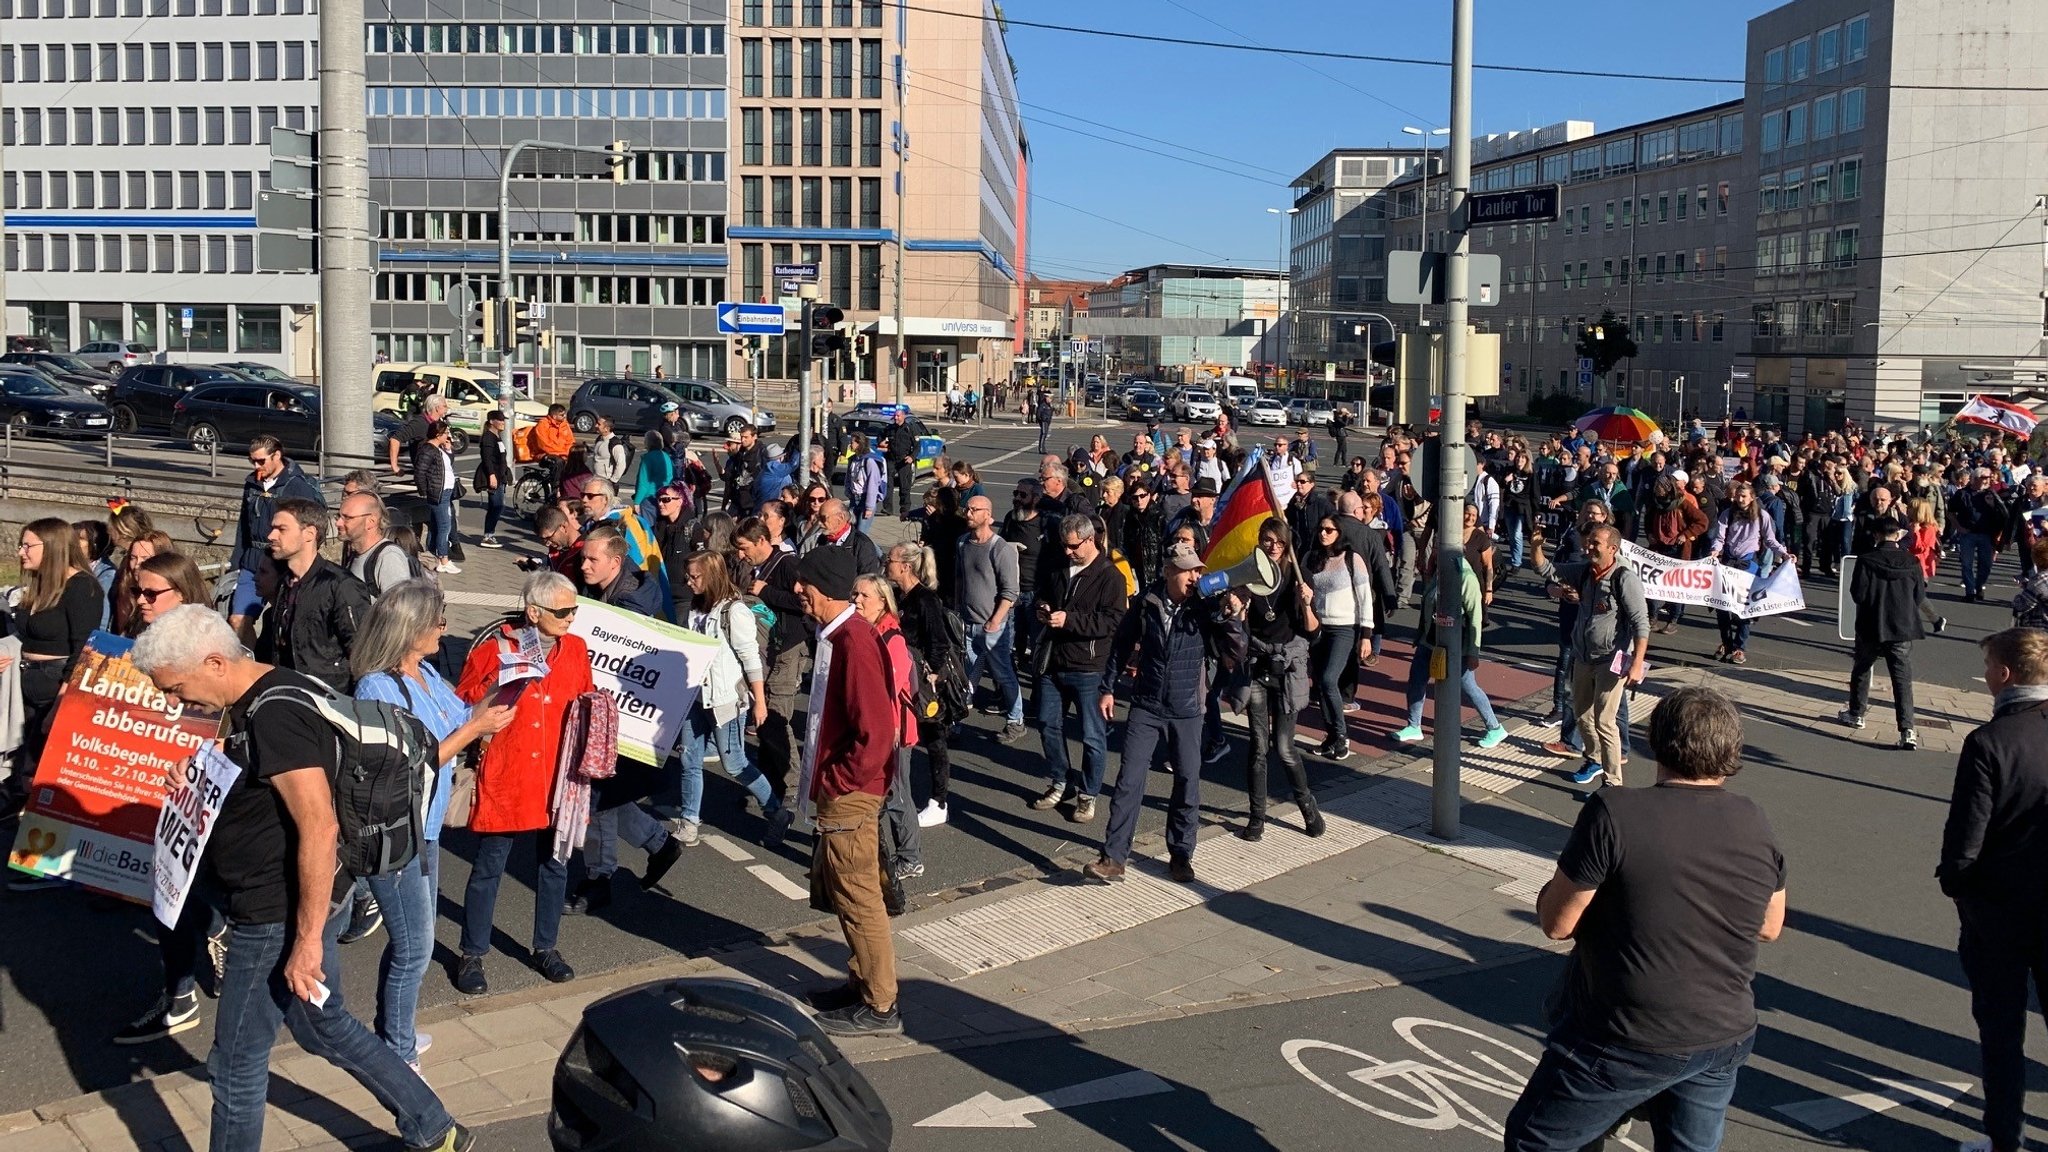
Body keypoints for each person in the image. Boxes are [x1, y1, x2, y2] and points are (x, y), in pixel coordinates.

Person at [127, 607, 471, 1152]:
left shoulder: (273, 714)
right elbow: (264, 778)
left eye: (176, 689)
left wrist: (306, 941)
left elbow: (318, 823)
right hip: (288, 900)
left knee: (235, 1065)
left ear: (214, 662)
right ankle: (433, 1126)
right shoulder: (263, 692)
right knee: (322, 1025)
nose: (174, 704)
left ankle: (432, 1125)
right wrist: (202, 773)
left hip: (274, 913)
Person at [1503, 687, 1786, 1151]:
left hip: (1629, 1035)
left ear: (1656, 740)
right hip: (1723, 1033)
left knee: (1536, 1139)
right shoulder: (1752, 818)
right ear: (1731, 749)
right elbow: (1769, 925)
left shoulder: (1615, 811)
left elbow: (1558, 924)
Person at [349, 582, 513, 1067]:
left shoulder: (423, 673)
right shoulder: (377, 687)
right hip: (396, 834)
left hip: (427, 827)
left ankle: (395, 1032)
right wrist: (472, 731)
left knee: (413, 941)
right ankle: (396, 1051)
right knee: (415, 946)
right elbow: (406, 764)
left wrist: (507, 687)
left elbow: (462, 714)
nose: (444, 630)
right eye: (438, 622)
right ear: (410, 629)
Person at [452, 571, 592, 995]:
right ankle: (472, 953)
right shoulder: (498, 648)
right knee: (489, 865)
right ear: (534, 612)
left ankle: (545, 947)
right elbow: (464, 701)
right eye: (563, 610)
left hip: (556, 774)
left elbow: (586, 697)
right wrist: (500, 681)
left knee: (554, 865)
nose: (571, 617)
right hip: (508, 771)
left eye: (573, 609)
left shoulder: (576, 649)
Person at [109, 550, 229, 1043]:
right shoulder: (136, 641)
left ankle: (183, 992)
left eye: (151, 592)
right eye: (137, 591)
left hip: (197, 790)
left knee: (181, 889)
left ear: (184, 593)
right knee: (169, 892)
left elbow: (232, 714)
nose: (140, 601)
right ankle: (199, 960)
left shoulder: (214, 645)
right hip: (150, 787)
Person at [1939, 628, 2048, 1152]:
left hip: (2000, 914)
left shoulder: (1989, 743)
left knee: (2002, 1036)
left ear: (2005, 675)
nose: (1984, 676)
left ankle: (2005, 1138)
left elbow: (1965, 843)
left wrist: (1960, 889)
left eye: (1987, 667)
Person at [1084, 542, 1246, 886]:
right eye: (1187, 570)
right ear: (1169, 571)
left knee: (1187, 782)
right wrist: (1108, 688)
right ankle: (1114, 857)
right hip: (1146, 704)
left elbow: (1236, 652)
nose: (1194, 576)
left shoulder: (1205, 607)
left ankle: (1181, 854)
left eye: (1197, 570)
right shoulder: (1146, 603)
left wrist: (1231, 617)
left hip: (1187, 708)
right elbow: (1121, 644)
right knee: (1129, 781)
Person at [790, 546, 901, 1036]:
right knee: (843, 891)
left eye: (804, 585)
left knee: (857, 896)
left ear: (823, 589)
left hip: (852, 793)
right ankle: (861, 983)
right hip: (847, 788)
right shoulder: (843, 634)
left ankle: (879, 1006)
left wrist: (841, 782)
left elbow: (877, 731)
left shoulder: (853, 641)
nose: (798, 592)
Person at [1535, 521, 1651, 791]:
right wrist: (1536, 546)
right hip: (1582, 657)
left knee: (1605, 721)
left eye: (1595, 543)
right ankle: (1595, 758)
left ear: (1612, 548)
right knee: (1582, 716)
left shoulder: (1624, 578)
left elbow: (1641, 622)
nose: (1588, 547)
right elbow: (1546, 570)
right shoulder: (1586, 571)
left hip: (1611, 661)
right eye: (1588, 542)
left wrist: (1636, 662)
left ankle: (1613, 784)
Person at [1029, 515, 1129, 822]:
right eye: (1065, 545)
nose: (1068, 551)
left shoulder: (1110, 576)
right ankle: (1061, 780)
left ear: (1090, 540)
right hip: (1054, 660)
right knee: (1047, 723)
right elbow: (1042, 594)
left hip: (1088, 666)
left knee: (1091, 735)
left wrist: (1069, 620)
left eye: (1073, 546)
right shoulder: (1059, 567)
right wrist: (1043, 609)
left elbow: (1112, 621)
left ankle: (1088, 794)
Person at [1234, 520, 1325, 840]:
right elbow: (1240, 632)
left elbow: (1314, 633)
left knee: (1285, 747)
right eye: (1266, 540)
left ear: (1287, 546)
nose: (1273, 546)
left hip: (1287, 670)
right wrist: (1239, 608)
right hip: (1258, 667)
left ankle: (1308, 808)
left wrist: (1306, 603)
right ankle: (1256, 818)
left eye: (1279, 542)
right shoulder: (1250, 575)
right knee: (1258, 747)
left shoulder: (1299, 577)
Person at [1394, 541, 1508, 751]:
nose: (1434, 553)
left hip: (1457, 644)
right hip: (1430, 640)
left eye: (1437, 550)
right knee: (1416, 680)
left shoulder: (1466, 578)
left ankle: (1495, 727)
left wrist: (1473, 652)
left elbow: (1475, 617)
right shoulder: (1440, 573)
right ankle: (1413, 724)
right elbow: (1428, 606)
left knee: (1468, 685)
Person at [738, 518, 809, 836]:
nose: (741, 555)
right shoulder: (758, 567)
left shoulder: (787, 564)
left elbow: (804, 603)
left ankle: (791, 785)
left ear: (761, 541)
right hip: (766, 652)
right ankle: (768, 784)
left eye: (744, 548)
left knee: (777, 717)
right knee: (764, 718)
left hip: (787, 649)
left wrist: (768, 593)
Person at [256, 499, 371, 693]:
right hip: (288, 698)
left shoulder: (341, 586)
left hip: (331, 703)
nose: (271, 535)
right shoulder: (285, 584)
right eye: (272, 528)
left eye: (281, 529)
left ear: (309, 534)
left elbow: (363, 654)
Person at [852, 573, 922, 886]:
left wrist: (889, 729)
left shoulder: (891, 637)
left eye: (864, 596)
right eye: (855, 595)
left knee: (897, 793)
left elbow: (891, 689)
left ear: (882, 601)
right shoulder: (868, 631)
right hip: (876, 727)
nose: (857, 600)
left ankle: (910, 858)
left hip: (893, 730)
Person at [885, 543, 960, 835]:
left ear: (905, 565)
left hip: (924, 680)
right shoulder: (900, 596)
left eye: (889, 560)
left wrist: (933, 674)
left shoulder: (926, 599)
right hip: (906, 676)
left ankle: (939, 802)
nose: (886, 563)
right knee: (913, 735)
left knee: (934, 737)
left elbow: (938, 640)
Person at [1836, 523, 1925, 749]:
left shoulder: (1866, 560)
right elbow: (1919, 595)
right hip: (1901, 626)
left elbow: (1858, 594)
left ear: (1877, 535)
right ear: (1898, 535)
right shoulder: (1912, 562)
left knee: (1862, 668)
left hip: (1871, 624)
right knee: (1902, 679)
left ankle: (1857, 713)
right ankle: (1907, 729)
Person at [228, 436, 321, 640]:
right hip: (252, 561)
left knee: (286, 622)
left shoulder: (297, 485)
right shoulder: (251, 483)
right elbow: (244, 524)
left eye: (261, 461)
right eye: (252, 461)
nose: (256, 466)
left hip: (282, 564)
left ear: (277, 455)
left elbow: (308, 528)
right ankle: (248, 665)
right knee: (237, 620)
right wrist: (236, 562)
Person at [957, 494, 1027, 745]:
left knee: (1003, 674)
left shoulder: (1000, 549)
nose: (968, 513)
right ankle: (956, 720)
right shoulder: (963, 543)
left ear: (987, 514)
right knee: (967, 674)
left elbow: (1010, 591)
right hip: (968, 622)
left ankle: (1016, 720)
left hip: (993, 626)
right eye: (967, 509)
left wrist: (995, 621)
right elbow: (960, 581)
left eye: (974, 510)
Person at [1304, 514, 1374, 761]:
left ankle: (1342, 735)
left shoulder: (1352, 559)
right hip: (1317, 627)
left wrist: (1366, 635)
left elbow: (1365, 597)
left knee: (1328, 678)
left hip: (1344, 628)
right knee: (1320, 685)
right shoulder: (1311, 558)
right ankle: (1331, 736)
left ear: (1339, 533)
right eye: (1321, 529)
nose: (1324, 533)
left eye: (1330, 530)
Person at [1705, 481, 1790, 665]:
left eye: (1744, 496)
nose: (1740, 499)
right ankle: (1726, 644)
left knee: (1744, 610)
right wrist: (1715, 550)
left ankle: (1739, 647)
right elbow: (1720, 537)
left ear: (1752, 498)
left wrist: (1783, 553)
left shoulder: (1761, 516)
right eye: (1738, 496)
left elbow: (1770, 539)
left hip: (1748, 565)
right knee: (1722, 607)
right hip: (1728, 563)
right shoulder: (1728, 513)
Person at [339, 493, 419, 599]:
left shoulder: (388, 557)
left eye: (347, 518)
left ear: (370, 522)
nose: (338, 523)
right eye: (339, 516)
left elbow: (400, 610)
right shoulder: (355, 554)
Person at [1954, 468, 2008, 603]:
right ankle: (1970, 591)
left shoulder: (1991, 494)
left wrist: (1992, 505)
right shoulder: (1962, 494)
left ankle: (1979, 585)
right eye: (1984, 477)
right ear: (1975, 478)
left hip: (1987, 534)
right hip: (1968, 533)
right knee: (1967, 563)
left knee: (1986, 564)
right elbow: (1950, 511)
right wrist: (1958, 527)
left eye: (1989, 478)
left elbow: (2004, 514)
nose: (1987, 480)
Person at [921, 486, 968, 605]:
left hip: (939, 564)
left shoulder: (936, 520)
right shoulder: (962, 521)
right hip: (953, 566)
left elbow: (929, 539)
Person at [474, 410, 512, 548]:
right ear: (492, 421)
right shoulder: (488, 437)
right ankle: (488, 535)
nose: (503, 423)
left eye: (503, 420)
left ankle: (490, 534)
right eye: (500, 420)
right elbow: (487, 458)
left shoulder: (497, 436)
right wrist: (491, 475)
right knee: (496, 506)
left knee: (498, 506)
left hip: (500, 476)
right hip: (494, 476)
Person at [529, 403, 578, 500]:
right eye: (562, 415)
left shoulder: (564, 425)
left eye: (564, 414)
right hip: (543, 454)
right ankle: (555, 489)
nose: (564, 416)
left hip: (562, 454)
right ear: (554, 416)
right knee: (558, 462)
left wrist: (567, 453)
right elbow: (543, 444)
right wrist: (561, 453)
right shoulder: (543, 424)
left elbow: (570, 441)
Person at [885, 408, 918, 520]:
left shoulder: (909, 428)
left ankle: (905, 510)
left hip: (904, 460)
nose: (896, 418)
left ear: (903, 417)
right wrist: (881, 441)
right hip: (891, 459)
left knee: (904, 486)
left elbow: (917, 445)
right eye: (895, 416)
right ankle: (887, 508)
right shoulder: (890, 428)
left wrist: (912, 457)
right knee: (888, 485)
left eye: (898, 416)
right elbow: (881, 436)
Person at [588, 415, 632, 489]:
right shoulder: (599, 439)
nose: (595, 425)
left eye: (599, 424)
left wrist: (612, 481)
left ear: (606, 429)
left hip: (606, 484)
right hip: (596, 481)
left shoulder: (615, 443)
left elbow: (621, 464)